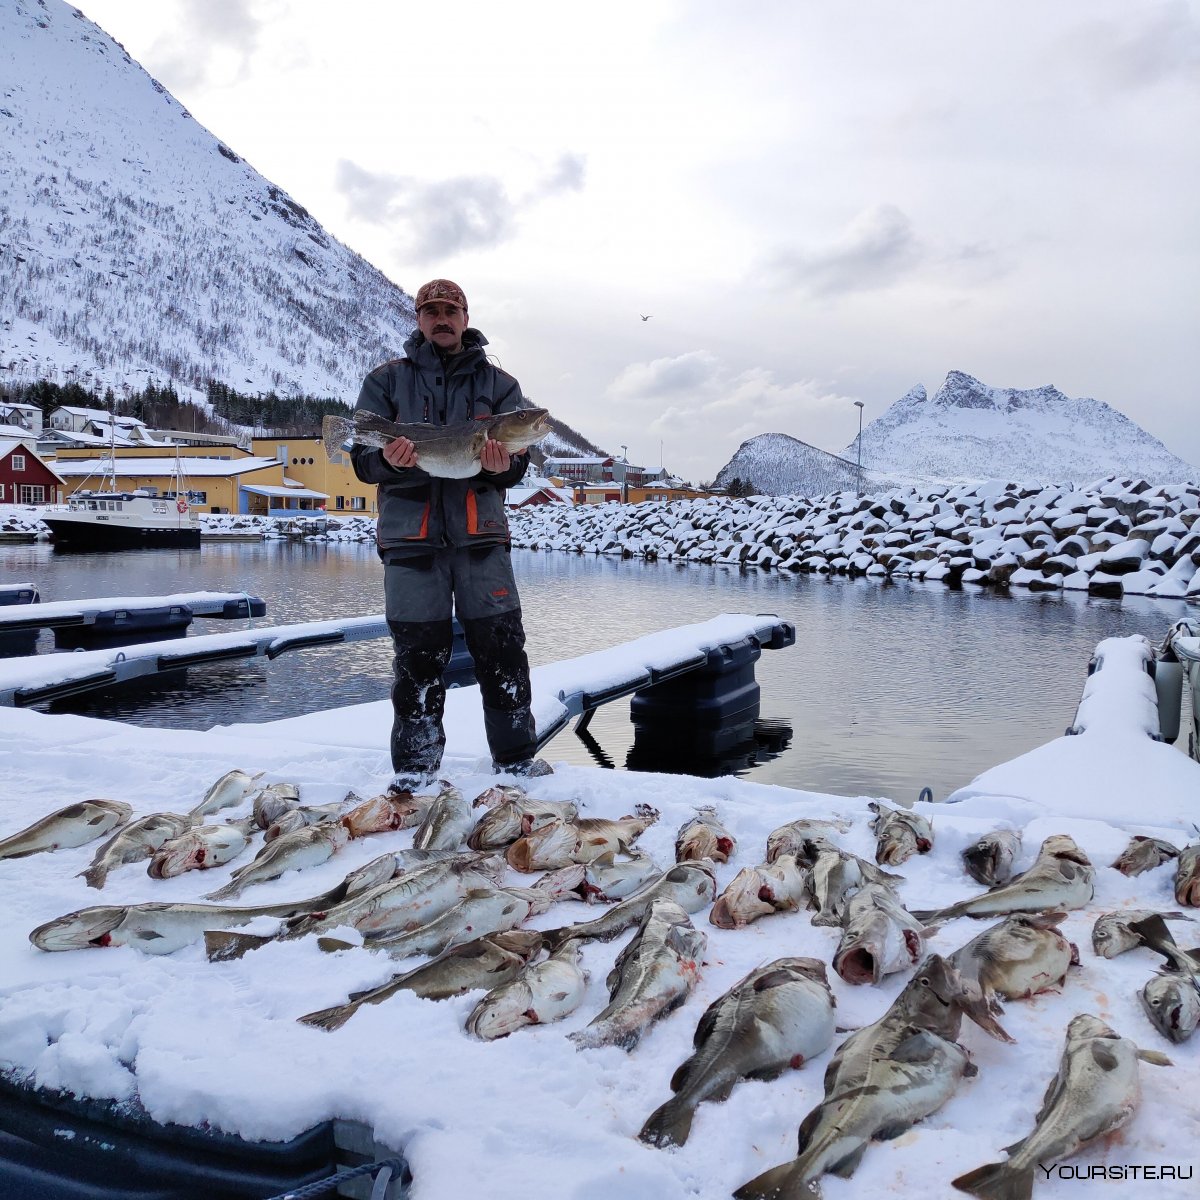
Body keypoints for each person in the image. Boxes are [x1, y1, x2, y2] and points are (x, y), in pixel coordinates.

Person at [350, 279, 550, 792]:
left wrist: (503, 467)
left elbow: (514, 473)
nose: (441, 318)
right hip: (411, 544)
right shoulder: (386, 381)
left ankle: (517, 763)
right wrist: (387, 463)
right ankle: (416, 774)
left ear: (466, 317)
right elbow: (362, 462)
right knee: (417, 659)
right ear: (418, 319)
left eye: (451, 310)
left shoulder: (499, 384)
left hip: (481, 539)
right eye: (431, 311)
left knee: (502, 649)